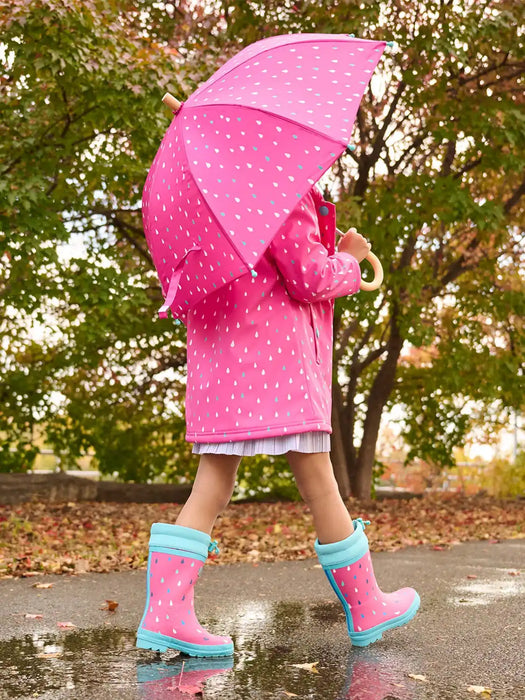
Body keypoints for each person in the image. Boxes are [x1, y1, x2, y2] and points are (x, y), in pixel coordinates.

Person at [136, 186, 420, 657]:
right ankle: (366, 605)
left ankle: (166, 615)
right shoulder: (277, 189)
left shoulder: (209, 196)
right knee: (321, 486)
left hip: (222, 363)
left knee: (211, 487)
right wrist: (348, 260)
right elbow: (307, 277)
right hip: (278, 363)